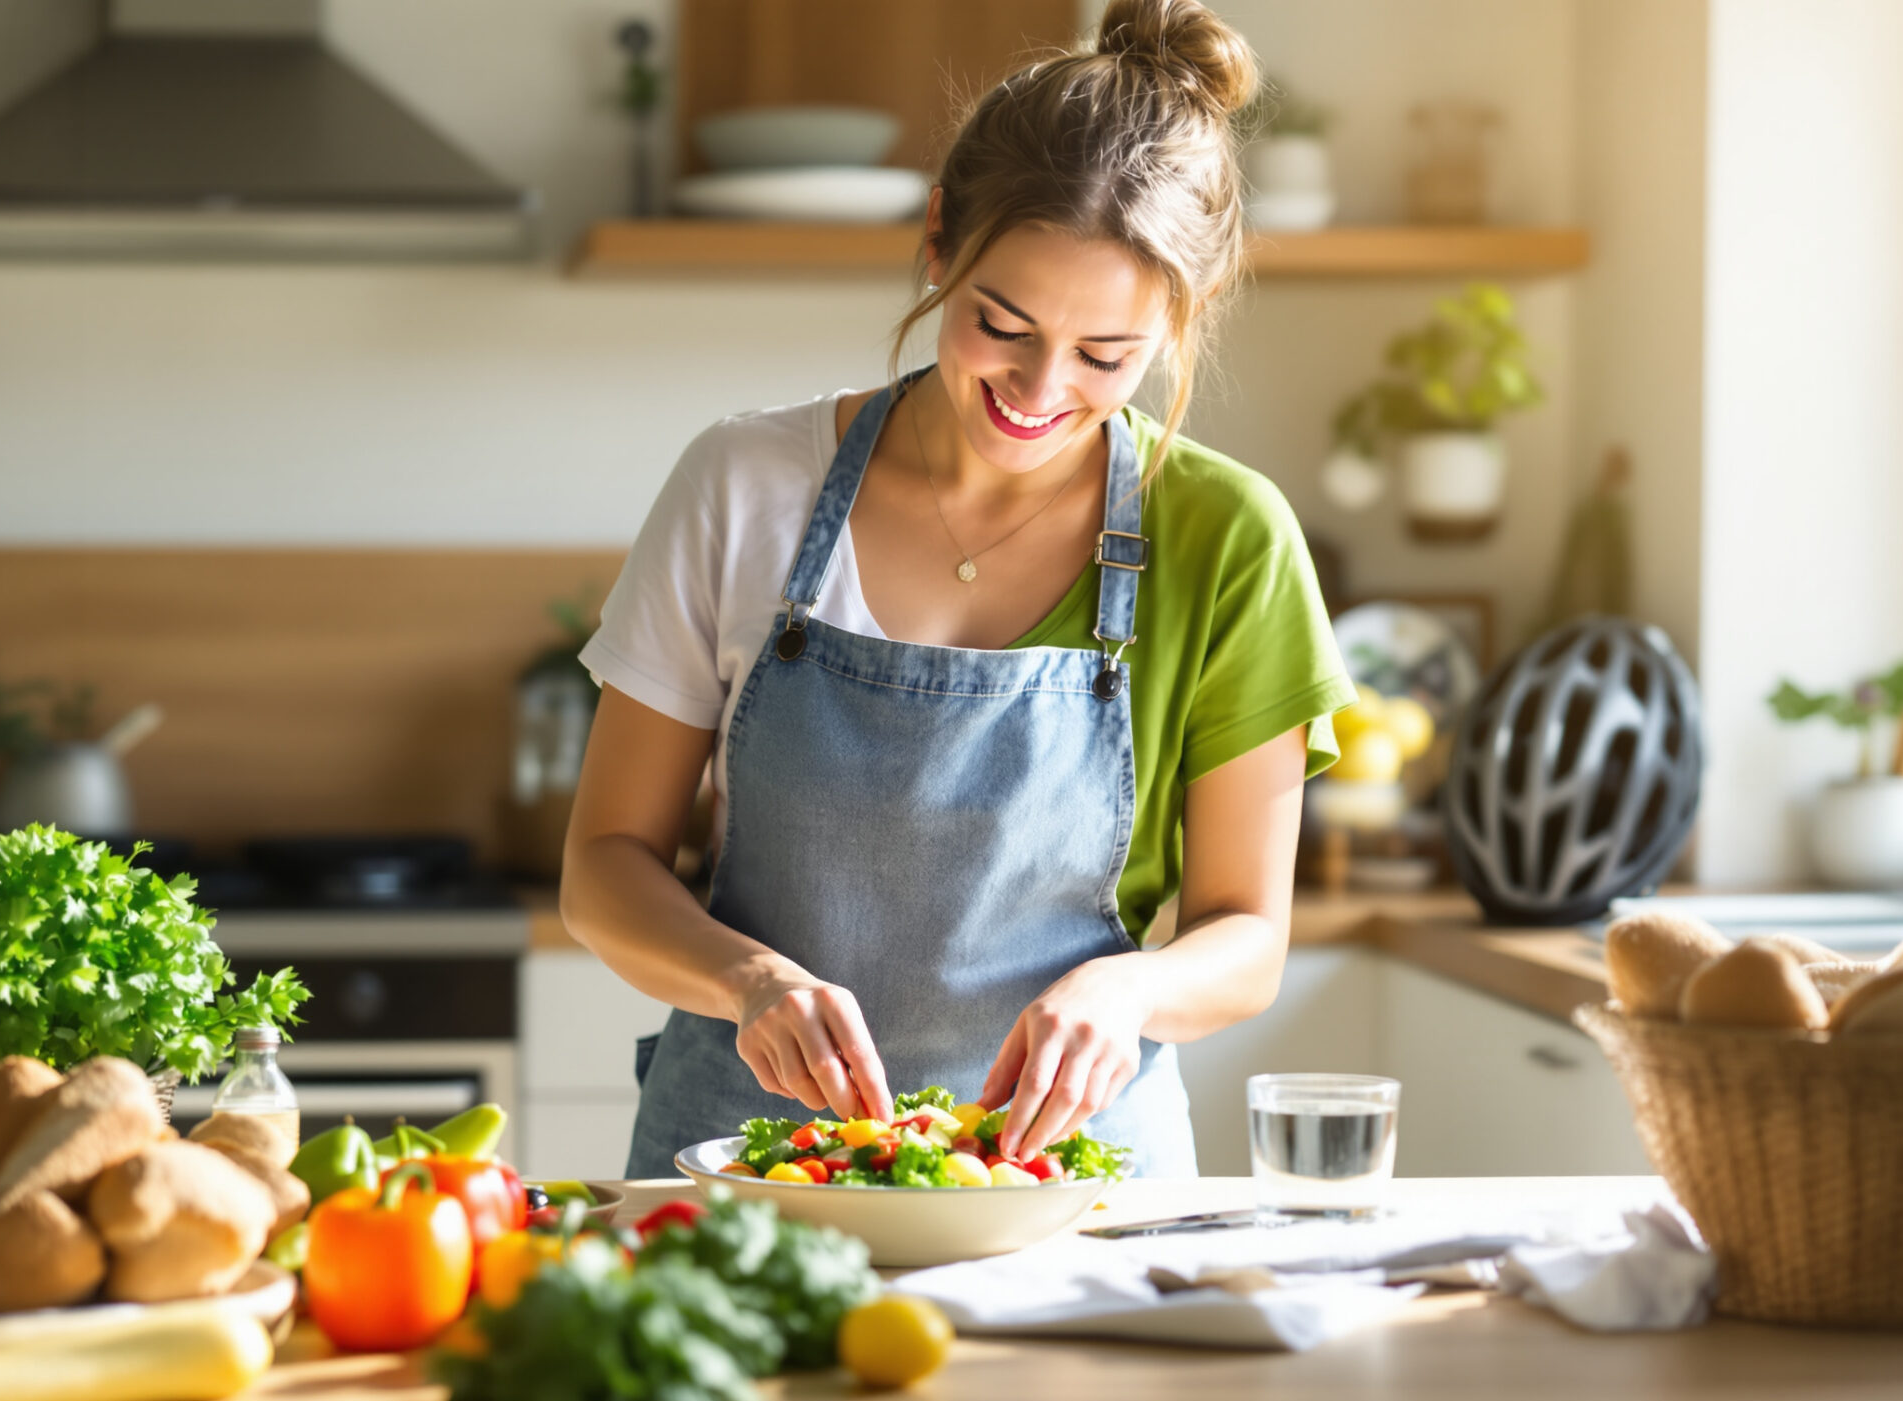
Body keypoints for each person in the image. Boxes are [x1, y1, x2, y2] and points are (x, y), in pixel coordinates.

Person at [563, 0, 1353, 1180]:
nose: (1038, 388)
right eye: (1001, 323)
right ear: (939, 241)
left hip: (1071, 1183)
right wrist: (747, 978)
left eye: (1105, 356)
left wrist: (1125, 989)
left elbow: (1246, 938)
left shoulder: (1230, 536)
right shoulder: (745, 483)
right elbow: (604, 864)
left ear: (1174, 325)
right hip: (750, 1164)